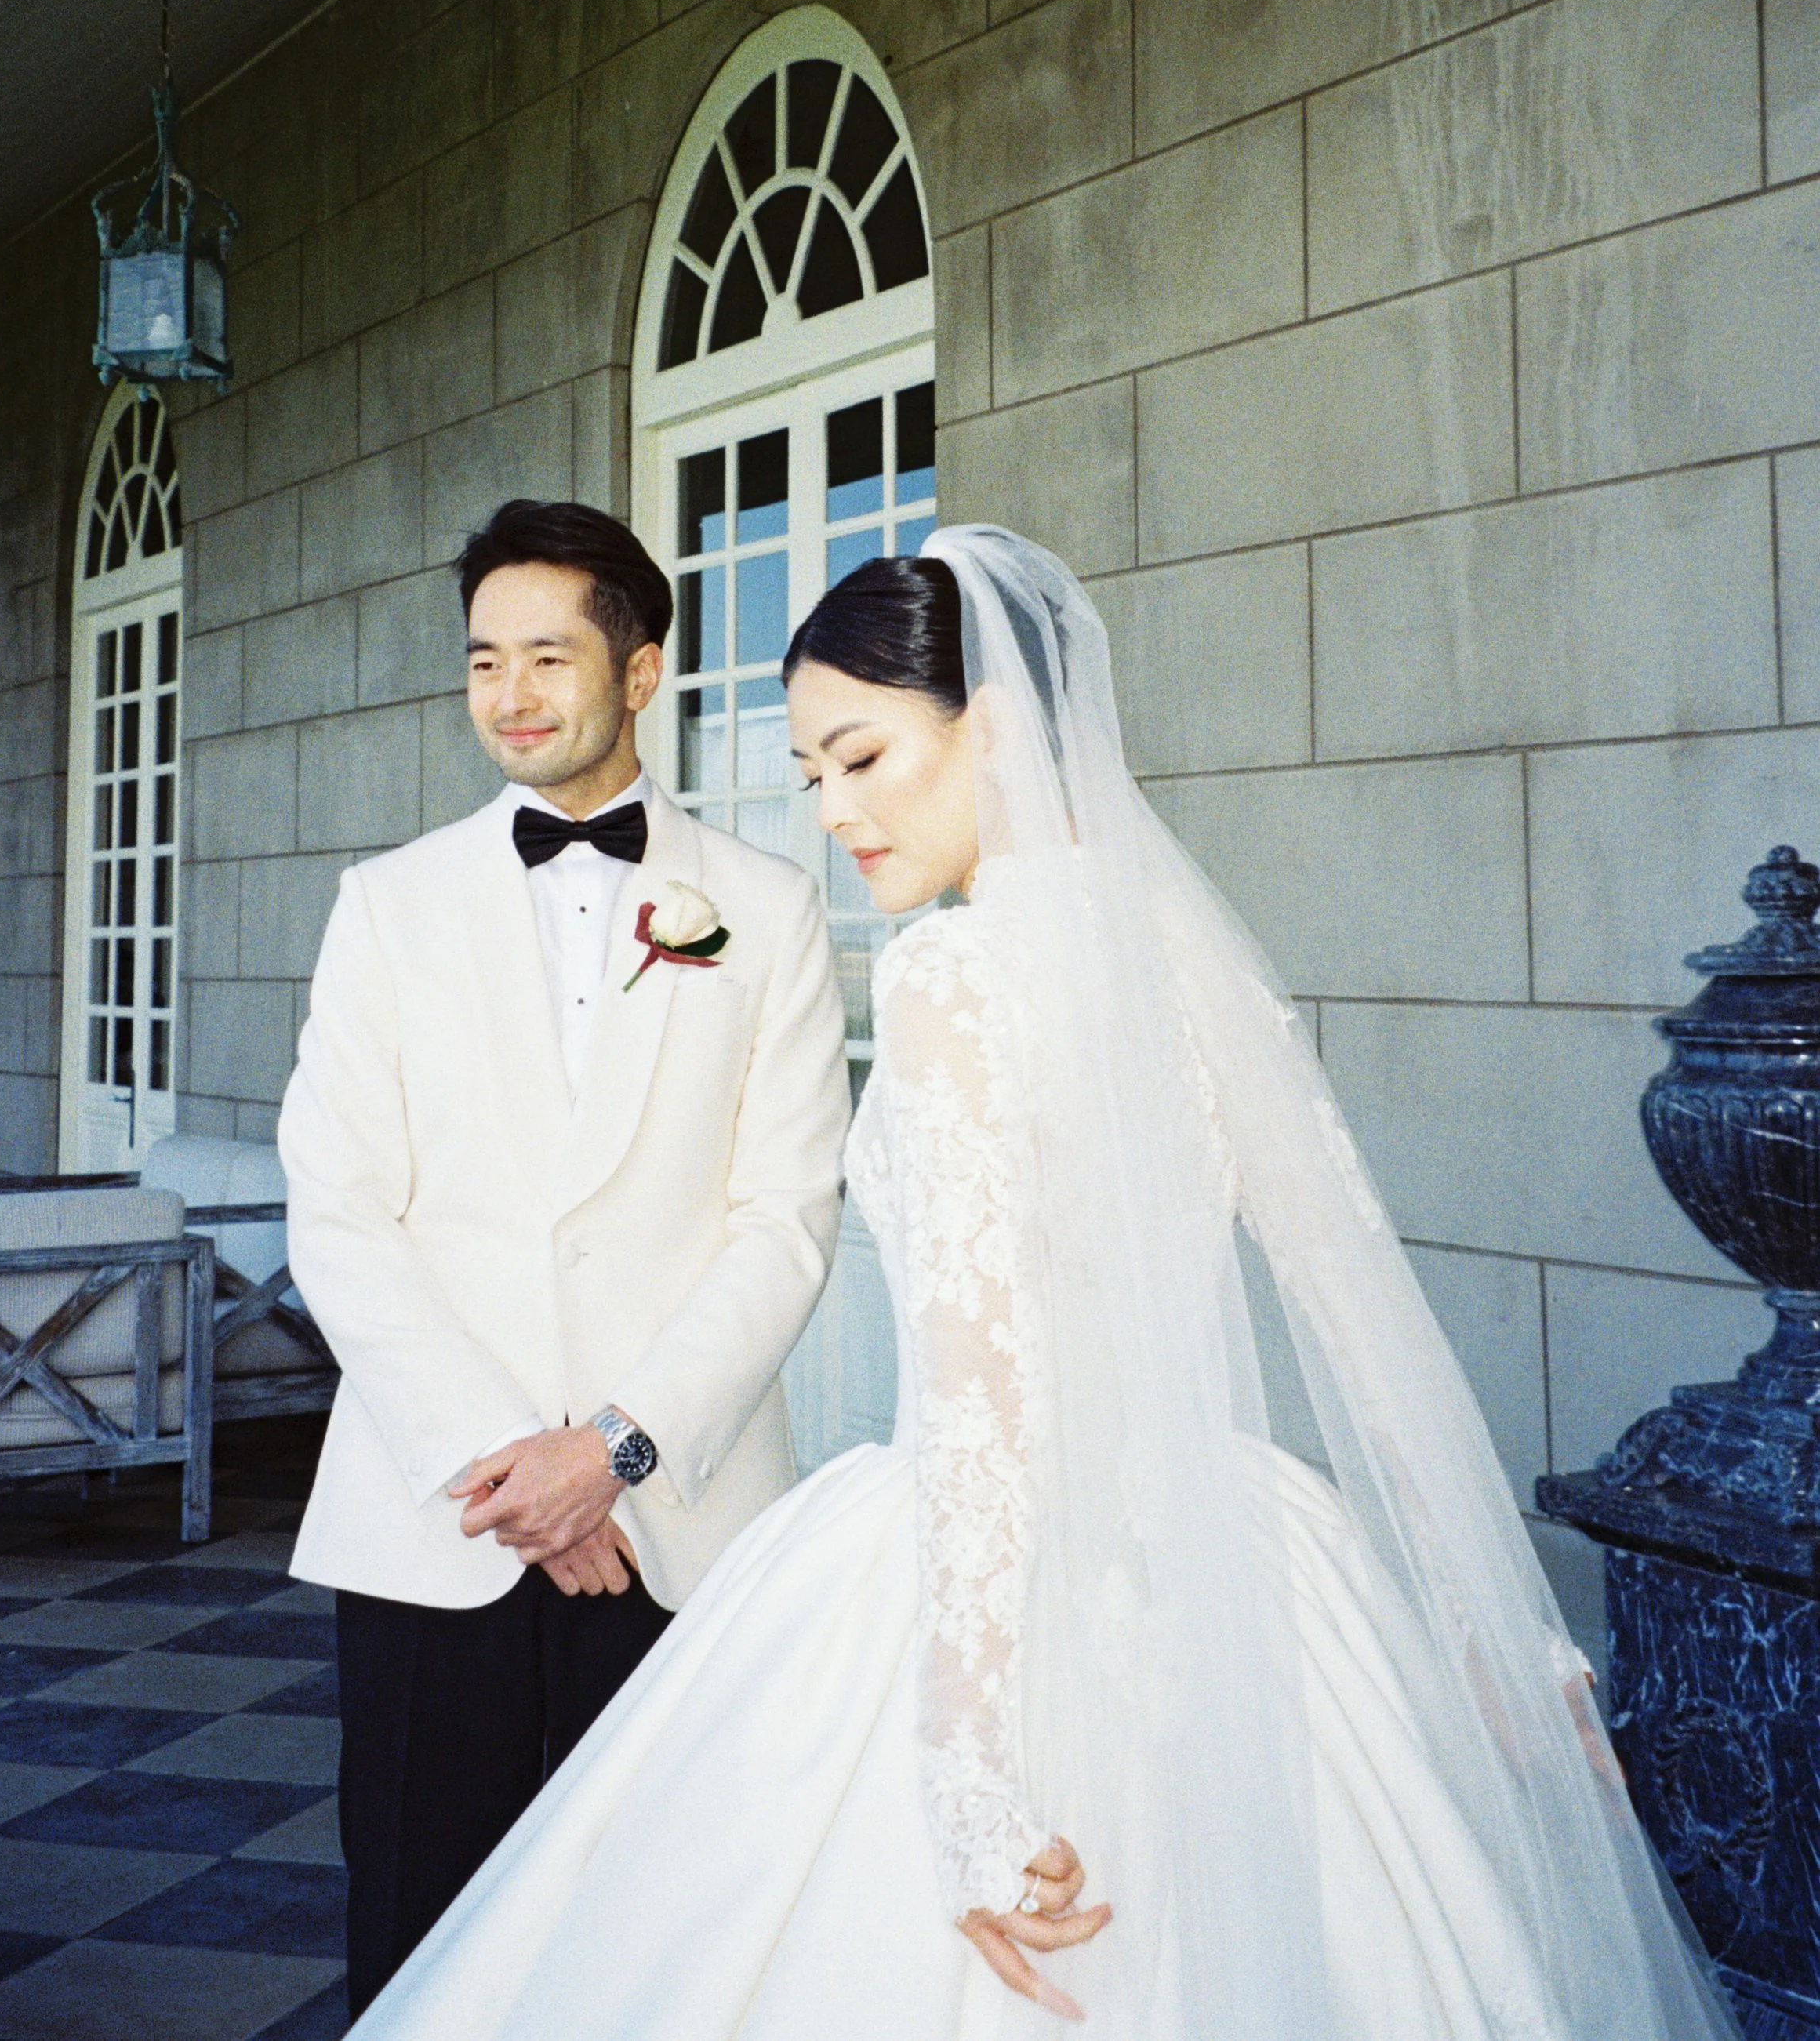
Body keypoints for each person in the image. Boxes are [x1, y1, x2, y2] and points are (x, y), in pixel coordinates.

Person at [347, 524, 1741, 2041]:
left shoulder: (951, 978)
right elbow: (1358, 1302)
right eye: (814, 775)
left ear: (993, 726)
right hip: (1247, 1570)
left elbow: (985, 1411)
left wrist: (966, 1768)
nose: (835, 815)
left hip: (970, 1598)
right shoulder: (1190, 956)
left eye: (864, 758)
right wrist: (1496, 1631)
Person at [278, 499, 850, 2017]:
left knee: (665, 1935)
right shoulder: (385, 905)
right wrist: (508, 1466)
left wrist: (614, 1448)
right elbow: (338, 1206)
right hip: (437, 1520)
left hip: (681, 1512)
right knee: (419, 1922)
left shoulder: (772, 907)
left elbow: (784, 1217)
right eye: (482, 659)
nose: (511, 692)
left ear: (642, 668)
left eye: (548, 653)